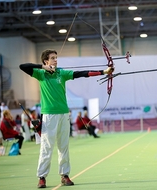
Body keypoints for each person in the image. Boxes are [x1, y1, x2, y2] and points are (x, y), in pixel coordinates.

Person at [19, 49, 113, 188]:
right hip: (49, 115)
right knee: (47, 147)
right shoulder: (40, 74)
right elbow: (23, 66)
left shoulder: (61, 73)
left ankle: (65, 175)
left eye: (56, 58)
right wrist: (42, 67)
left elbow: (82, 74)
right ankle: (42, 177)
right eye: (52, 58)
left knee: (63, 146)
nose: (56, 60)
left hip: (63, 114)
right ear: (46, 61)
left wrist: (103, 72)